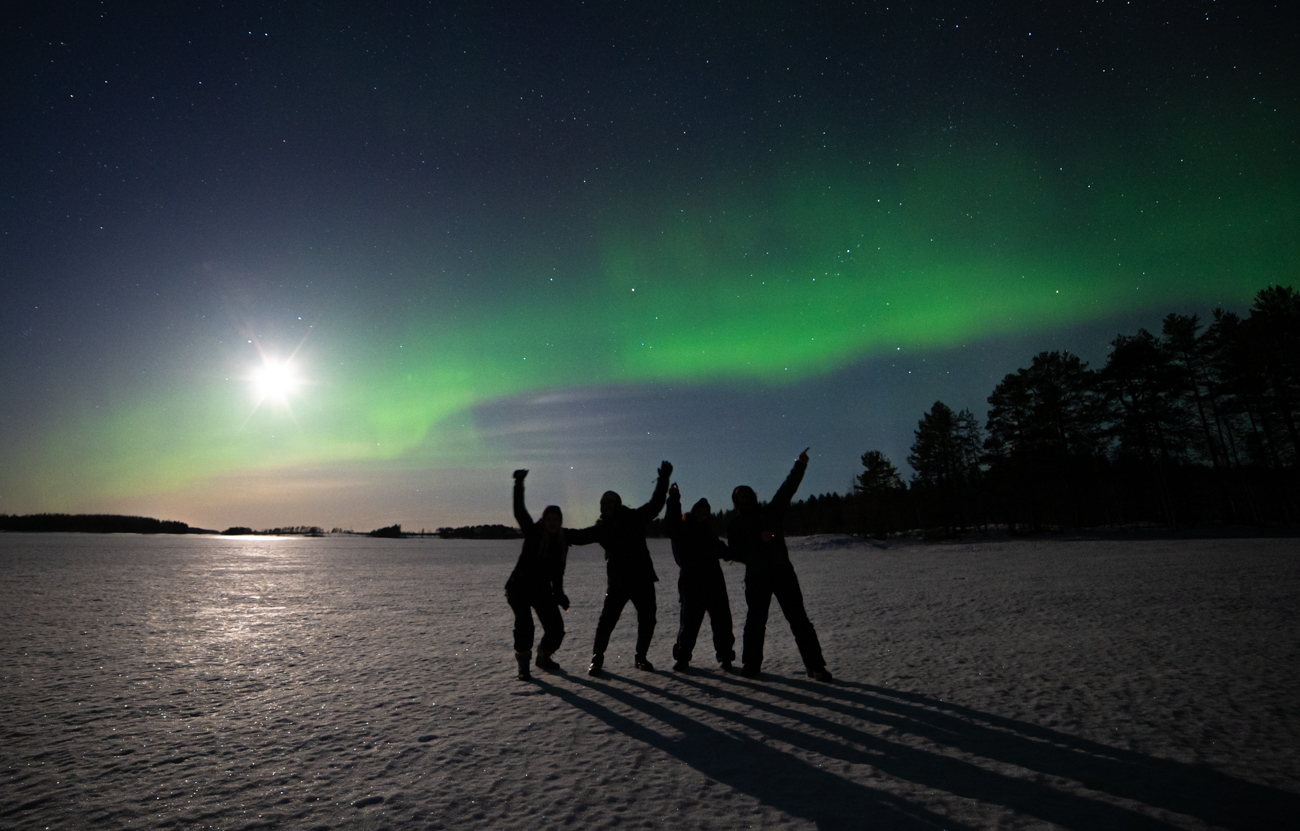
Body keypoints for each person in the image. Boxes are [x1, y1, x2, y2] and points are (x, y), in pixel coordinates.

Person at [728, 448, 832, 682]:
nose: (744, 497)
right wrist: (759, 539)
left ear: (753, 496)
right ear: (736, 502)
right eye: (740, 495)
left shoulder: (771, 512)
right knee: (755, 623)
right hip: (756, 579)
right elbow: (735, 552)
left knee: (799, 620)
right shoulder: (735, 525)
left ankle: (816, 666)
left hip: (783, 574)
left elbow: (787, 489)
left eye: (747, 493)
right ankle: (751, 665)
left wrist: (800, 465)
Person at [569, 460, 672, 676]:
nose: (605, 507)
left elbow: (655, 504)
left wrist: (663, 480)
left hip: (642, 579)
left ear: (617, 504)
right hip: (618, 582)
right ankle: (597, 658)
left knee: (648, 619)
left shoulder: (634, 518)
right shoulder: (602, 528)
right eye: (603, 504)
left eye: (609, 503)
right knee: (607, 622)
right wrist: (552, 531)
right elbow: (579, 536)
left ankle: (641, 657)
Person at [506, 469, 571, 681]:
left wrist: (559, 594)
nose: (552, 522)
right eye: (549, 519)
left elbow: (557, 573)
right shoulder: (534, 533)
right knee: (525, 627)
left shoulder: (560, 543)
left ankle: (543, 657)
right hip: (519, 588)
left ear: (560, 522)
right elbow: (519, 512)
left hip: (541, 590)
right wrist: (519, 483)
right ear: (543, 520)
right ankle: (523, 666)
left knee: (556, 629)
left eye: (555, 519)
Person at [664, 482, 736, 672]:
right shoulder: (682, 529)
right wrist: (673, 498)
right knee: (689, 624)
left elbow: (723, 551)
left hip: (714, 583)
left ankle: (726, 657)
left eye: (705, 513)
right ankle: (682, 658)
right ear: (693, 511)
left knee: (722, 622)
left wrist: (736, 553)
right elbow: (671, 521)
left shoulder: (710, 534)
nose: (701, 515)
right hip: (691, 583)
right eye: (699, 512)